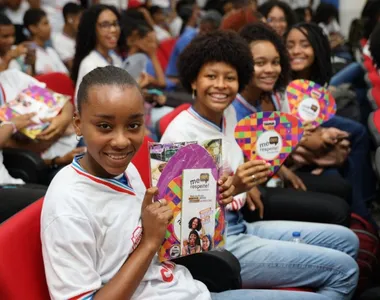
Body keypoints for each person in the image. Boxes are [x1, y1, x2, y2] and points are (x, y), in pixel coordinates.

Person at [41, 65, 327, 300]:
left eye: (133, 126)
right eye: (104, 126)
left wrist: (208, 201)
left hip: (188, 287)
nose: (121, 141)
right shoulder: (69, 205)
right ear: (78, 124)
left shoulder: (125, 171)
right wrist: (150, 242)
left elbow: (157, 240)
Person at [160, 30, 359, 299]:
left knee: (347, 240)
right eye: (211, 76)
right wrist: (235, 187)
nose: (221, 85)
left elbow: (247, 160)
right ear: (193, 80)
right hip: (217, 244)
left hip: (241, 224)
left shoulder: (228, 114)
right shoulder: (180, 136)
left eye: (230, 78)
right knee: (345, 270)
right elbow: (183, 230)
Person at [232, 22, 351, 225]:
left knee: (342, 187)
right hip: (251, 195)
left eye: (276, 62)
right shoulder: (234, 107)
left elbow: (266, 154)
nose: (270, 70)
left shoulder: (264, 98)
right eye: (260, 63)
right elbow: (237, 163)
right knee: (337, 210)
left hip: (272, 177)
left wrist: (283, 168)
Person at [284, 22, 377, 225]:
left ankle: (363, 214)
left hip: (309, 143)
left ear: (317, 48)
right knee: (356, 133)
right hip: (292, 153)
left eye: (304, 45)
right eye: (290, 45)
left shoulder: (315, 82)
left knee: (345, 154)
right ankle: (363, 215)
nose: (295, 51)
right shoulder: (280, 83)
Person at [71, 4, 123, 106]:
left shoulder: (115, 58)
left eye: (115, 24)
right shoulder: (90, 64)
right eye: (105, 25)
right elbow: (86, 106)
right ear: (93, 30)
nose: (113, 29)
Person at [22, 8, 69, 75]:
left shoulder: (51, 51)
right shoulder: (27, 52)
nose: (50, 26)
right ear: (33, 28)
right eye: (45, 23)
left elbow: (66, 75)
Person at [51, 2, 83, 71]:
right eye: (80, 19)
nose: (82, 23)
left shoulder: (80, 37)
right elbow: (73, 67)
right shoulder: (58, 40)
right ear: (70, 18)